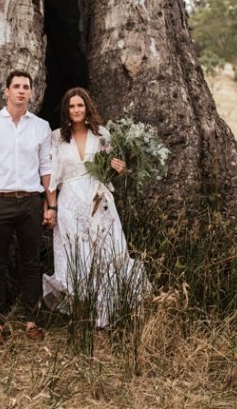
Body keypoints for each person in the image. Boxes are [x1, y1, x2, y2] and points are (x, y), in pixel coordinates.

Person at [42, 87, 146, 327]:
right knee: (77, 257)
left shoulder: (102, 135)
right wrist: (52, 208)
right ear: (66, 111)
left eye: (80, 105)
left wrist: (120, 170)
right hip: (69, 201)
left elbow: (110, 171)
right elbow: (51, 178)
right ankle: (83, 314)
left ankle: (108, 312)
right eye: (72, 106)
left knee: (108, 252)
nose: (76, 110)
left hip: (99, 200)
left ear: (87, 108)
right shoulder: (57, 137)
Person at [0, 69, 56, 345]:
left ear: (31, 92)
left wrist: (50, 204)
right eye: (16, 86)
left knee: (31, 264)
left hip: (31, 202)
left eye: (26, 87)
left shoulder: (41, 127)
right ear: (6, 91)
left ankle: (32, 320)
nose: (21, 91)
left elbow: (46, 168)